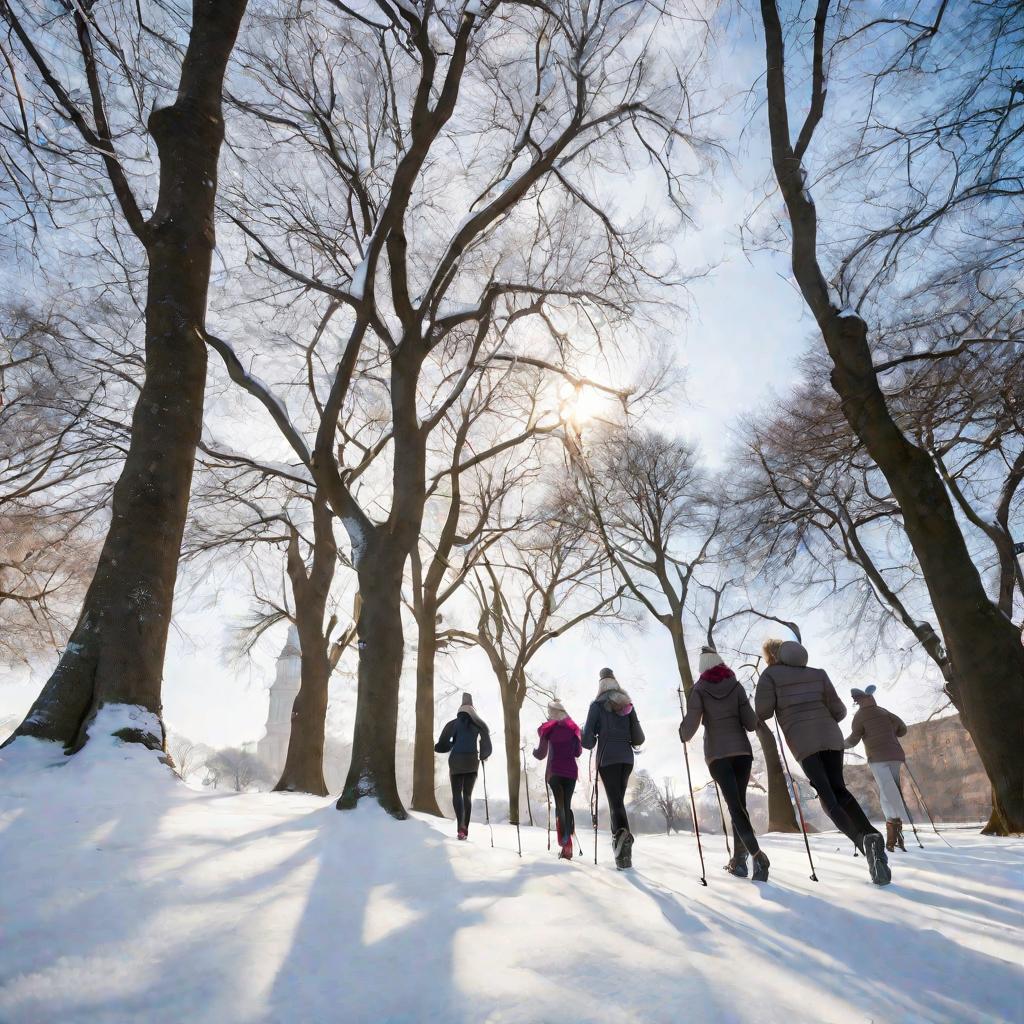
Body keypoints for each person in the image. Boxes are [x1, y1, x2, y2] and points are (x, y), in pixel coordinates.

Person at [756, 638, 891, 886]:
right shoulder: (818, 673)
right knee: (840, 789)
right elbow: (839, 711)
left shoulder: (770, 676)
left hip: (804, 743)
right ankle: (871, 836)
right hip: (831, 737)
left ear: (771, 656)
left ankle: (863, 841)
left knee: (828, 797)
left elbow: (762, 712)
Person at [680, 646, 769, 882]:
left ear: (702, 666)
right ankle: (739, 861)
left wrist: (682, 732)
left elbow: (689, 727)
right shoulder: (736, 686)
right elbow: (751, 723)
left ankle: (757, 855)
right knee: (739, 805)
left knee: (735, 807)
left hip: (718, 755)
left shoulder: (698, 689)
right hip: (742, 753)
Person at [582, 667, 645, 869]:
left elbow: (587, 742)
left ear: (601, 684)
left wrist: (589, 731)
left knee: (615, 802)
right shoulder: (628, 704)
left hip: (607, 758)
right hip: (626, 759)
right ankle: (620, 852)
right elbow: (639, 738)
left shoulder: (597, 705)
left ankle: (623, 849)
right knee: (616, 802)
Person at [845, 684, 910, 853]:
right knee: (893, 792)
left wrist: (839, 745)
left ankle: (892, 838)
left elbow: (853, 740)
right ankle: (897, 836)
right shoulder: (884, 711)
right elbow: (902, 729)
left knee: (886, 794)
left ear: (859, 701)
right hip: (895, 755)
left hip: (878, 758)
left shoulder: (859, 716)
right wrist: (889, 733)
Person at [434, 692, 492, 840]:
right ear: (472, 708)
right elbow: (486, 743)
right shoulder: (479, 724)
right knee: (467, 795)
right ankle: (465, 830)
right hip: (472, 762)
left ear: (460, 708)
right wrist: (483, 754)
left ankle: (460, 826)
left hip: (456, 762)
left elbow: (442, 746)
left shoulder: (453, 724)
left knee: (456, 794)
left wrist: (450, 743)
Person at [533, 698, 583, 860]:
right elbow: (578, 753)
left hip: (555, 773)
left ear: (552, 714)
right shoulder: (572, 730)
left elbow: (541, 754)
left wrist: (534, 751)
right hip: (570, 773)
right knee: (566, 806)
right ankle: (567, 845)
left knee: (560, 805)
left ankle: (565, 841)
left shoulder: (549, 730)